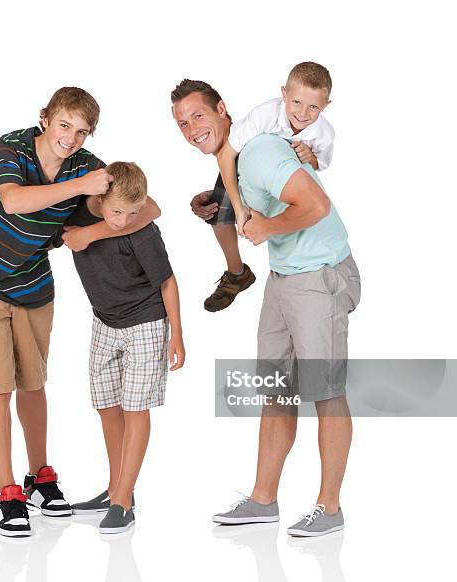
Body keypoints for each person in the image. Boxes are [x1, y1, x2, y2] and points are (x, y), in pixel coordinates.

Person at [0, 87, 160, 537]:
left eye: (82, 132)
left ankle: (38, 478)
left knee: (33, 383)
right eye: (64, 126)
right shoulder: (11, 147)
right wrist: (82, 187)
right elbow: (13, 200)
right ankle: (7, 491)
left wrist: (91, 234)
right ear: (45, 119)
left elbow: (148, 208)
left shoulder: (87, 165)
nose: (70, 139)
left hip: (34, 281)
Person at [171, 80, 361, 537]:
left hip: (318, 276)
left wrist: (268, 227)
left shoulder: (258, 153)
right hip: (284, 278)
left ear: (221, 109)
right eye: (182, 123)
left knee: (326, 392)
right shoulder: (233, 158)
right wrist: (227, 207)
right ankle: (263, 500)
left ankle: (330, 509)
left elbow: (316, 204)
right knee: (276, 389)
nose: (192, 129)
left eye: (199, 116)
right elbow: (240, 190)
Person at [62, 162, 185, 534]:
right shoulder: (79, 210)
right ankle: (116, 486)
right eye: (116, 211)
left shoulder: (141, 230)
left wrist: (176, 333)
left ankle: (123, 499)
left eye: (132, 213)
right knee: (105, 404)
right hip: (104, 320)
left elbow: (167, 281)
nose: (122, 220)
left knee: (135, 408)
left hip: (145, 321)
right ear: (99, 199)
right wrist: (84, 234)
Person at [217, 62, 335, 236]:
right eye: (296, 102)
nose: (303, 113)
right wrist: (239, 208)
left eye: (314, 107)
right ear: (284, 95)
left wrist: (310, 157)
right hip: (244, 172)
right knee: (218, 214)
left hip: (280, 189)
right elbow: (225, 155)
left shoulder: (325, 133)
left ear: (325, 105)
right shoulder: (263, 115)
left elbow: (320, 164)